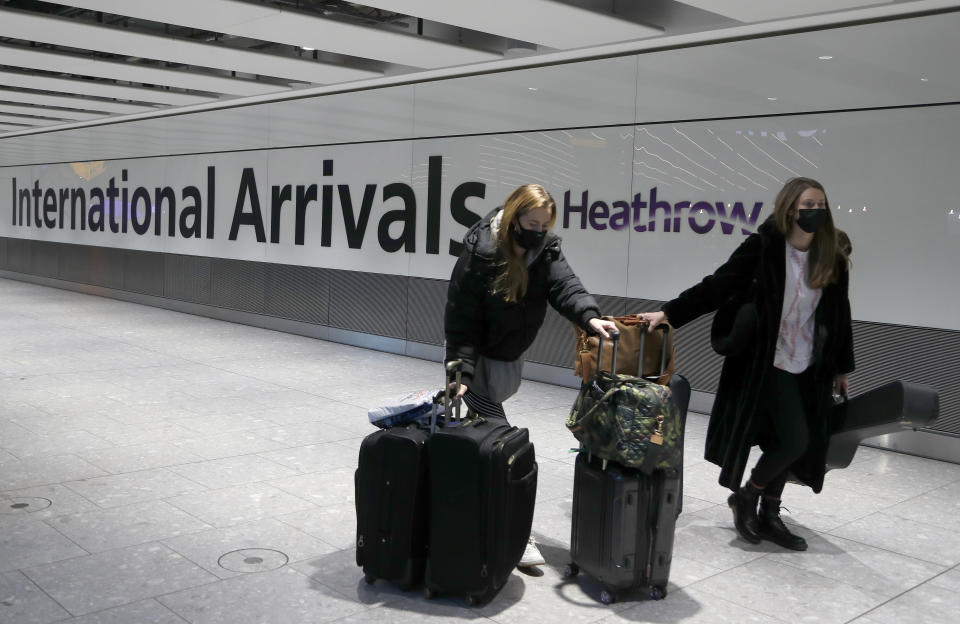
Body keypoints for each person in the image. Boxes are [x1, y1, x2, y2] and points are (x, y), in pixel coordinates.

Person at [641, 177, 854, 551]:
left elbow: (840, 315)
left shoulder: (830, 255)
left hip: (810, 363)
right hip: (765, 361)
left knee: (788, 442)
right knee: (794, 439)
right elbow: (717, 285)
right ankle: (746, 495)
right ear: (790, 208)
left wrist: (841, 367)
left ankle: (770, 514)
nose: (816, 211)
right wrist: (670, 312)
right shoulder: (763, 247)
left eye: (821, 203)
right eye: (809, 204)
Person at [444, 183, 618, 567]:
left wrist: (591, 318)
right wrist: (461, 372)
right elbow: (461, 320)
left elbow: (564, 286)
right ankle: (513, 535)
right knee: (503, 450)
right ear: (514, 216)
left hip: (507, 359)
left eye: (545, 223)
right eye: (532, 221)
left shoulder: (545, 250)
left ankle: (478, 522)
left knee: (480, 450)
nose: (539, 230)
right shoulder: (481, 253)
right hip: (477, 366)